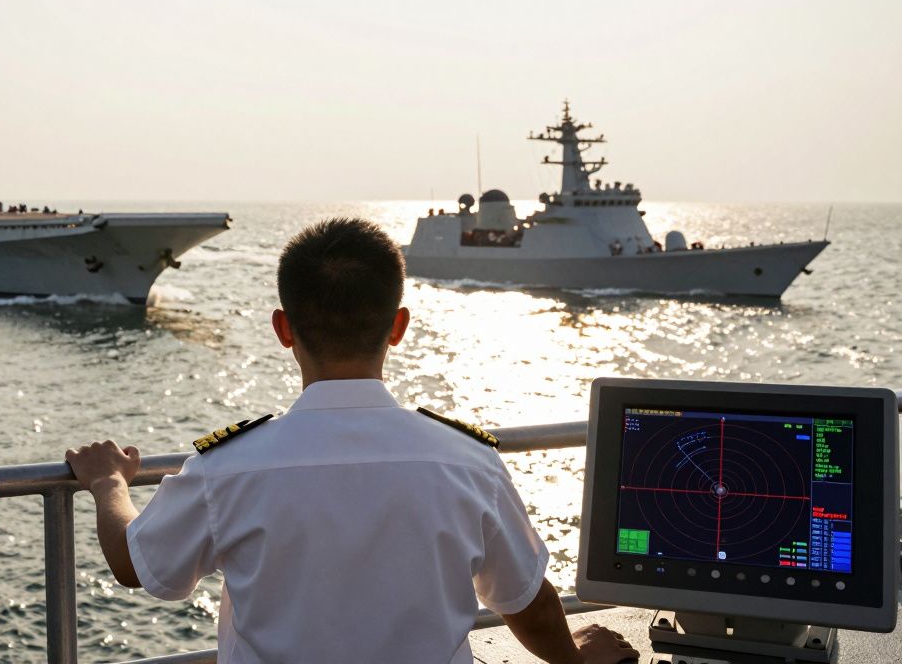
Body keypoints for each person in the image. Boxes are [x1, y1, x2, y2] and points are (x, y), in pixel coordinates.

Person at [68, 218, 633, 662]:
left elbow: (134, 563)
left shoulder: (228, 468)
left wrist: (109, 482)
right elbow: (527, 604)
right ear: (398, 326)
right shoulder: (468, 461)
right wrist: (574, 662)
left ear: (283, 329)